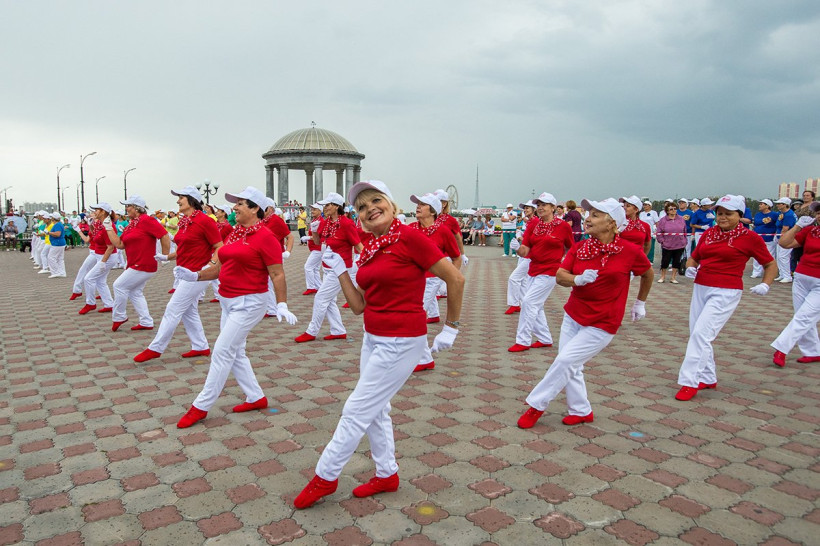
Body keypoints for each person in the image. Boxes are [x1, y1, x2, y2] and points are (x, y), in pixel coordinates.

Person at [293, 180, 464, 509]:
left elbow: (455, 277)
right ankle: (386, 474)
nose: (370, 208)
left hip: (401, 340)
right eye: (361, 206)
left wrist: (451, 327)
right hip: (373, 336)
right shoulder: (372, 246)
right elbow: (359, 306)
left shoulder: (411, 237)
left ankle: (325, 477)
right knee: (376, 410)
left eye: (376, 200)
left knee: (355, 411)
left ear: (391, 204)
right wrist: (341, 271)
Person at [517, 198, 653, 428]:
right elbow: (560, 275)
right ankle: (581, 410)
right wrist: (577, 279)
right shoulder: (581, 248)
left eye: (595, 215)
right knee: (572, 365)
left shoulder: (629, 251)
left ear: (612, 223)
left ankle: (536, 405)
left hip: (603, 322)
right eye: (589, 214)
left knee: (565, 360)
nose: (588, 219)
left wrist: (640, 302)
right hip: (573, 316)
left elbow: (647, 273)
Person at [176, 186, 297, 428]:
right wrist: (195, 276)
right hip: (228, 301)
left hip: (249, 303)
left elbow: (277, 274)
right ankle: (255, 397)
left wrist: (282, 304)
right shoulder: (235, 233)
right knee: (236, 352)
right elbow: (220, 268)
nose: (234, 208)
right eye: (236, 203)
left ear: (255, 208)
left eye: (240, 203)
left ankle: (200, 406)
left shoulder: (266, 238)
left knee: (222, 351)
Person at [675, 195, 776, 401]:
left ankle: (689, 381)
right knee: (697, 333)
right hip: (701, 287)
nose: (722, 217)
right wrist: (691, 267)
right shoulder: (710, 233)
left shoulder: (750, 237)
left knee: (701, 335)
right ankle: (708, 377)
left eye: (728, 214)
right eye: (719, 213)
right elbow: (695, 257)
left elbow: (770, 264)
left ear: (739, 215)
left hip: (726, 290)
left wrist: (766, 284)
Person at [133, 187, 224, 363]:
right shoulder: (185, 221)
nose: (177, 201)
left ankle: (156, 348)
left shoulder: (205, 221)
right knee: (189, 311)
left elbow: (219, 246)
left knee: (173, 309)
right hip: (184, 272)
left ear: (191, 200)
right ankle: (200, 346)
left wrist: (210, 265)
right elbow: (184, 247)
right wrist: (167, 257)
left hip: (197, 273)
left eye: (181, 198)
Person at [509, 193, 575, 352]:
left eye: (544, 205)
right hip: (533, 269)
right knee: (536, 305)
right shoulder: (534, 225)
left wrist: (569, 268)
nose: (540, 208)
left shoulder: (563, 226)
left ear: (553, 208)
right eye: (538, 205)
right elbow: (525, 251)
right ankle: (545, 338)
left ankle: (523, 340)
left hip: (551, 271)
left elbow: (572, 248)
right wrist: (517, 248)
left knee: (528, 302)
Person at [295, 192, 362, 342]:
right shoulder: (327, 223)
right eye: (324, 205)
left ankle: (311, 331)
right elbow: (318, 242)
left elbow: (358, 245)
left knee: (320, 298)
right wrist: (314, 230)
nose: (324, 208)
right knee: (329, 301)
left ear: (336, 206)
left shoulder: (346, 224)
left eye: (327, 205)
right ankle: (338, 330)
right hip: (327, 267)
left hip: (341, 269)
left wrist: (368, 263)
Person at [409, 193, 462, 371]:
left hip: (431, 280)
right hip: (410, 279)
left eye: (422, 204)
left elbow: (456, 257)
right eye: (417, 203)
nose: (418, 206)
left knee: (415, 316)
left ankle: (422, 358)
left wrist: (450, 277)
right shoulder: (410, 228)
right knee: (413, 317)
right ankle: (423, 357)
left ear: (432, 211)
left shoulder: (443, 231)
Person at [104, 196, 171, 331]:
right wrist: (108, 228)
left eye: (128, 206)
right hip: (135, 263)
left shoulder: (147, 220)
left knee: (119, 286)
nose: (126, 209)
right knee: (135, 292)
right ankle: (146, 321)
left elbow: (164, 235)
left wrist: (165, 256)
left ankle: (119, 316)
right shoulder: (132, 224)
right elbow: (120, 244)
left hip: (143, 264)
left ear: (136, 208)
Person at [771, 203, 820, 367]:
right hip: (802, 277)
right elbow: (784, 243)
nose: (819, 215)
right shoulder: (811, 230)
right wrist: (798, 226)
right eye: (818, 213)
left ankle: (781, 348)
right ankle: (813, 351)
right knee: (802, 315)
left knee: (804, 317)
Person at [77, 204, 117, 315]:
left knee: (88, 279)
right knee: (100, 281)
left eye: (96, 210)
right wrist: (90, 226)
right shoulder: (99, 223)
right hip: (100, 255)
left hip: (107, 257)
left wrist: (103, 262)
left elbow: (110, 247)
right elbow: (95, 237)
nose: (94, 212)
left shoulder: (107, 225)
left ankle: (90, 303)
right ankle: (109, 304)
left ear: (103, 212)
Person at [505, 200, 536, 314]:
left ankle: (514, 304)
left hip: (529, 256)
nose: (525, 210)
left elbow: (534, 240)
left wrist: (520, 238)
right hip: (524, 254)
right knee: (523, 280)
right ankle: (522, 304)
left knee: (514, 278)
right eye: (525, 208)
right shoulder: (529, 222)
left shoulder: (535, 222)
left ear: (534, 210)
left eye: (528, 208)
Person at [655, 202, 687, 283]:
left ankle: (673, 277)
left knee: (676, 261)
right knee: (665, 261)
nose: (673, 210)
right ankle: (662, 276)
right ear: (667, 211)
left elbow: (684, 231)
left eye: (675, 209)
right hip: (667, 245)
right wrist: (662, 241)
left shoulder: (681, 219)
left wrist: (684, 241)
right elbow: (659, 232)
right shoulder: (663, 220)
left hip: (679, 244)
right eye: (671, 209)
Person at [751, 199, 778, 278]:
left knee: (770, 255)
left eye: (762, 204)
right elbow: (756, 222)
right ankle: (756, 272)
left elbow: (778, 223)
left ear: (767, 206)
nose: (759, 205)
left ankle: (770, 272)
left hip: (769, 238)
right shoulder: (758, 214)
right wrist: (763, 221)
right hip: (758, 238)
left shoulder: (774, 214)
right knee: (757, 255)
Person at [774, 197, 797, 283]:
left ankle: (787, 276)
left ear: (785, 205)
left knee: (784, 257)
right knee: (779, 257)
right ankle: (782, 274)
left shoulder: (789, 215)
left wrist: (781, 239)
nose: (777, 205)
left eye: (779, 204)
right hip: (780, 236)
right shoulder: (782, 213)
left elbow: (785, 228)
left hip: (787, 238)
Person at [303, 203, 323, 295]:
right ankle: (319, 286)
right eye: (312, 209)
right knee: (315, 268)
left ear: (320, 211)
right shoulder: (315, 220)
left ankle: (311, 287)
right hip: (315, 248)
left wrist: (308, 238)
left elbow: (319, 236)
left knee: (308, 267)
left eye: (314, 209)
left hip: (317, 248)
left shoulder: (320, 221)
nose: (312, 211)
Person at [46, 212, 67, 278]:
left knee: (51, 257)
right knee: (60, 258)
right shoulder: (59, 224)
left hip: (57, 243)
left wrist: (49, 233)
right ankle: (62, 272)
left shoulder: (57, 225)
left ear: (53, 218)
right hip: (60, 243)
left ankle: (56, 272)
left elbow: (58, 234)